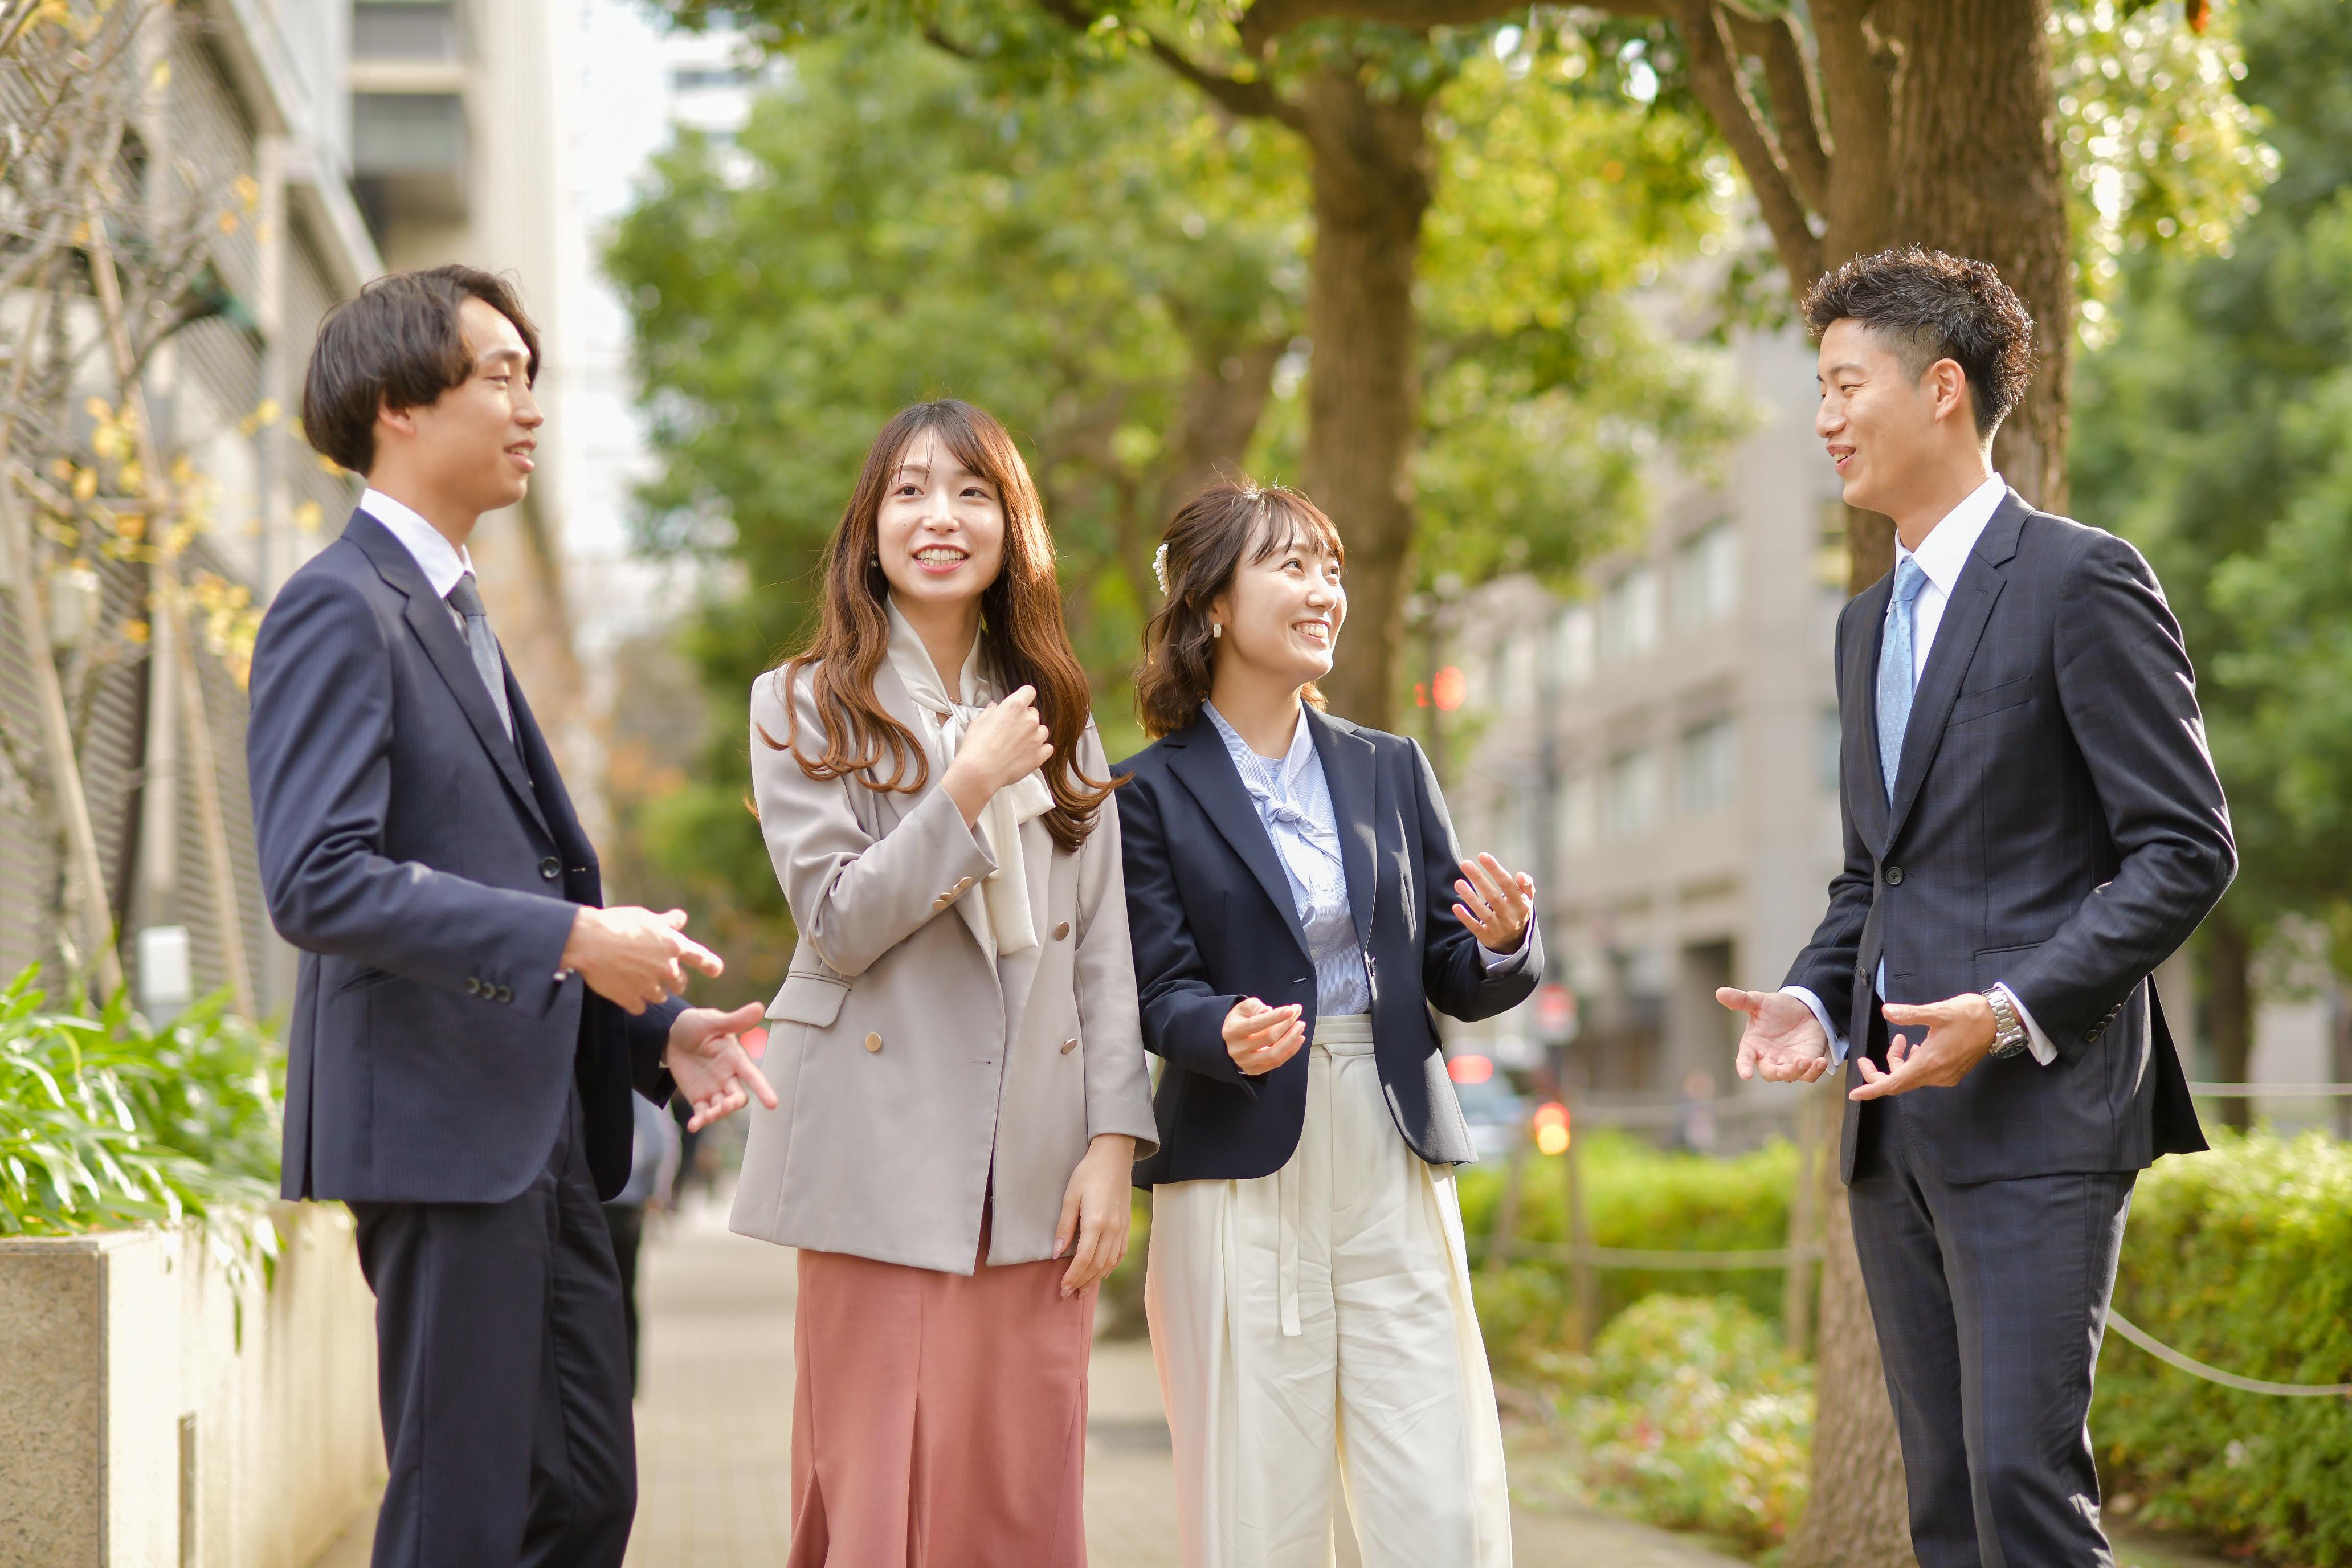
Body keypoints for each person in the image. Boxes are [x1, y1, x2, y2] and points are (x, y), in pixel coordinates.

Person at [246, 265, 775, 1568]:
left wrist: (654, 1031)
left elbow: (528, 875)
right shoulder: (338, 605)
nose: (530, 408)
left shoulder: (460, 615)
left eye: (533, 379)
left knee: (585, 1493)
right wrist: (570, 943)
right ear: (395, 405)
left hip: (546, 1131)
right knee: (460, 1509)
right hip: (436, 1132)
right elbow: (317, 877)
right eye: (500, 376)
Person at [1716, 247, 2235, 1568]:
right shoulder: (1859, 626)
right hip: (1892, 1136)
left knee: (2022, 1496)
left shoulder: (2078, 578)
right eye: (1816, 388)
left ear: (1940, 388)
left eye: (1844, 384)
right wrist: (1801, 997)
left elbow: (2182, 846)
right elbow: (1869, 878)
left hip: (2040, 1120)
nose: (1823, 417)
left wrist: (2008, 1011)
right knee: (1943, 1509)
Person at [728, 398, 1158, 1566]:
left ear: (1013, 530)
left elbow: (1104, 958)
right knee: (878, 1484)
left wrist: (1114, 1147)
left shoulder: (1060, 724)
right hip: (879, 1148)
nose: (940, 516)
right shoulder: (803, 702)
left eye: (973, 492)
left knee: (1022, 1486)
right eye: (910, 490)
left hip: (1037, 1160)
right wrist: (963, 788)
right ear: (869, 529)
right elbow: (839, 921)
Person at [1117, 480, 1541, 1568]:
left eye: (1331, 568)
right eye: (1290, 566)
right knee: (1259, 1503)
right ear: (1211, 602)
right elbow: (1151, 987)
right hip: (1239, 1156)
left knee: (1435, 1497)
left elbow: (1451, 966)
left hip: (1391, 1148)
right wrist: (1220, 1029)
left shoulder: (1387, 767)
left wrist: (1501, 941)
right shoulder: (1143, 793)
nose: (1323, 592)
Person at [603, 1086, 683, 1395]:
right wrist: (657, 1192)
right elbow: (663, 1142)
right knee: (626, 1291)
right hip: (630, 1202)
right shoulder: (640, 1084)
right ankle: (627, 1378)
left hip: (596, 1202)